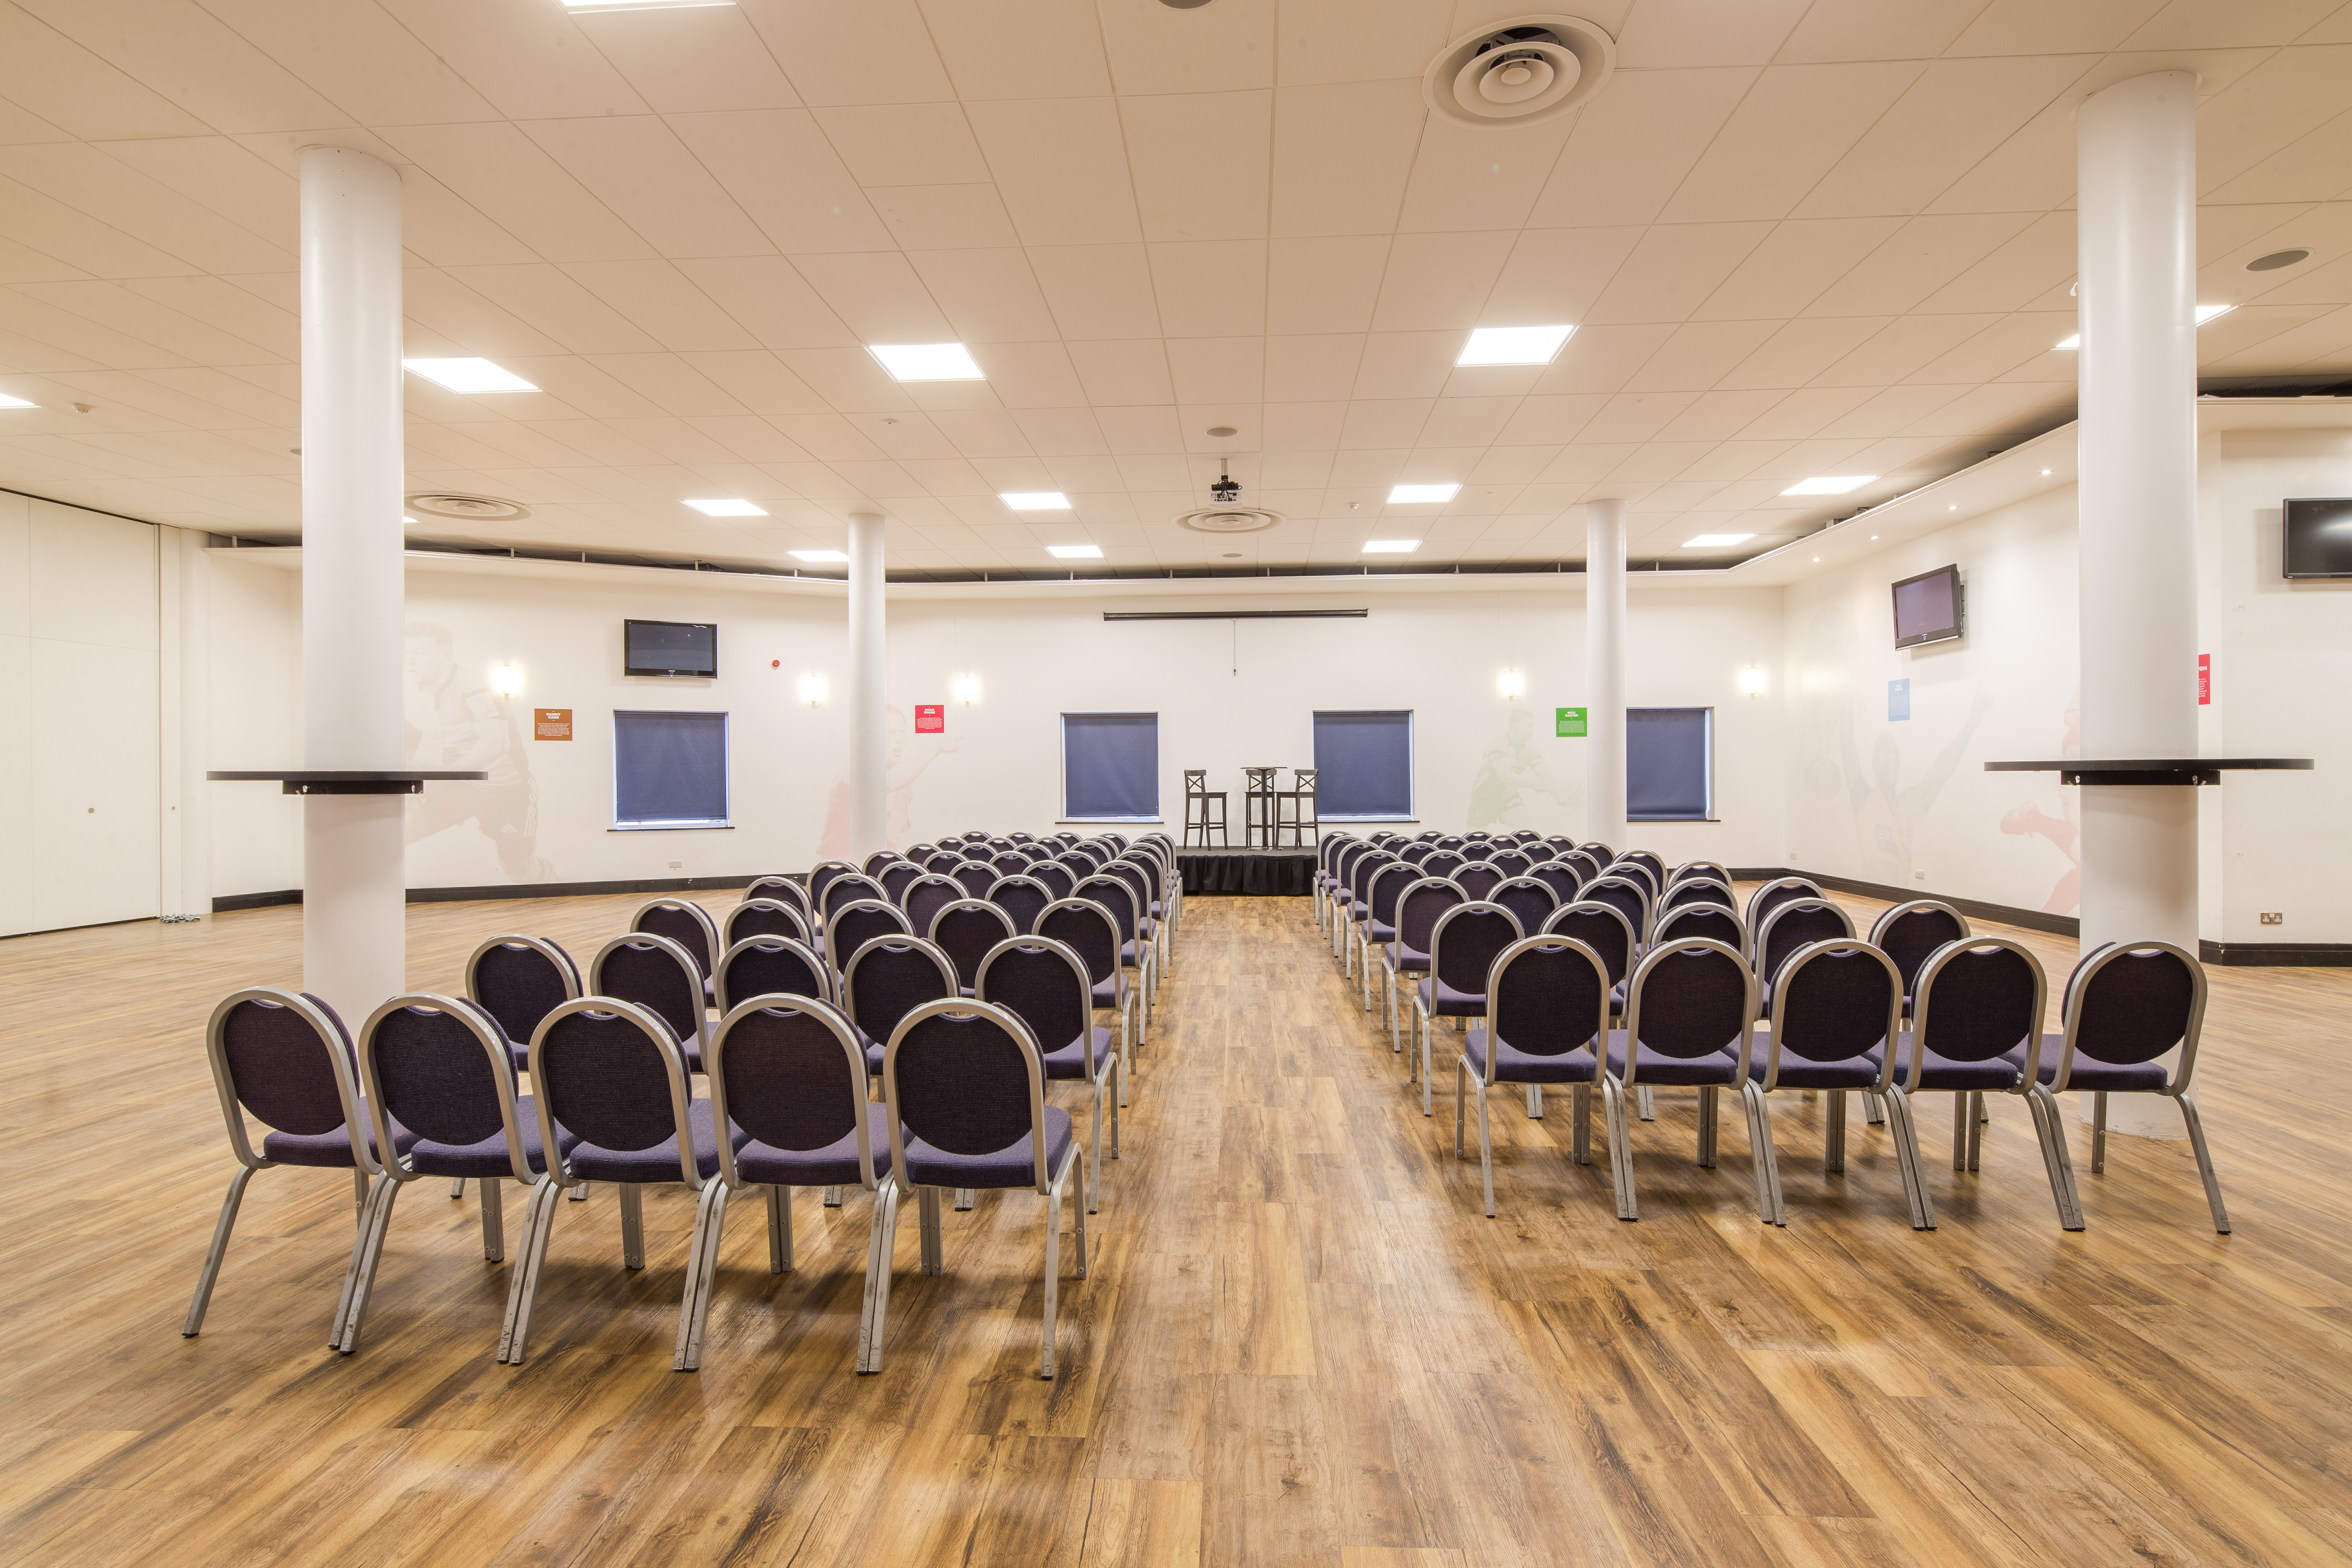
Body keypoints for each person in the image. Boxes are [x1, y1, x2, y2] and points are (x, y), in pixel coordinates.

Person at [402, 622, 552, 882]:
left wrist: (442, 778)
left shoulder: (476, 684)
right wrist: (407, 790)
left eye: (421, 653)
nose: (411, 661)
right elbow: (404, 747)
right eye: (406, 653)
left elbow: (496, 744)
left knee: (518, 870)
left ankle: (552, 882)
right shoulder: (407, 696)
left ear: (446, 656)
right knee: (392, 838)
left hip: (508, 791)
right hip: (458, 786)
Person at [816, 703, 957, 861]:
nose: (898, 739)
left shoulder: (904, 783)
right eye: (890, 732)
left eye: (902, 732)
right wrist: (936, 748)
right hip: (840, 872)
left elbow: (893, 837)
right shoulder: (853, 767)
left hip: (879, 869)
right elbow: (889, 783)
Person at [1467, 706, 1578, 831]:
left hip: (1509, 799)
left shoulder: (1531, 748)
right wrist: (1532, 784)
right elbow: (1504, 775)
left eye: (1533, 726)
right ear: (1514, 725)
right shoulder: (1498, 743)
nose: (1533, 730)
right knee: (1474, 842)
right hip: (1484, 798)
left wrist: (1562, 796)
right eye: (1529, 726)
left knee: (1528, 833)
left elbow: (1544, 774)